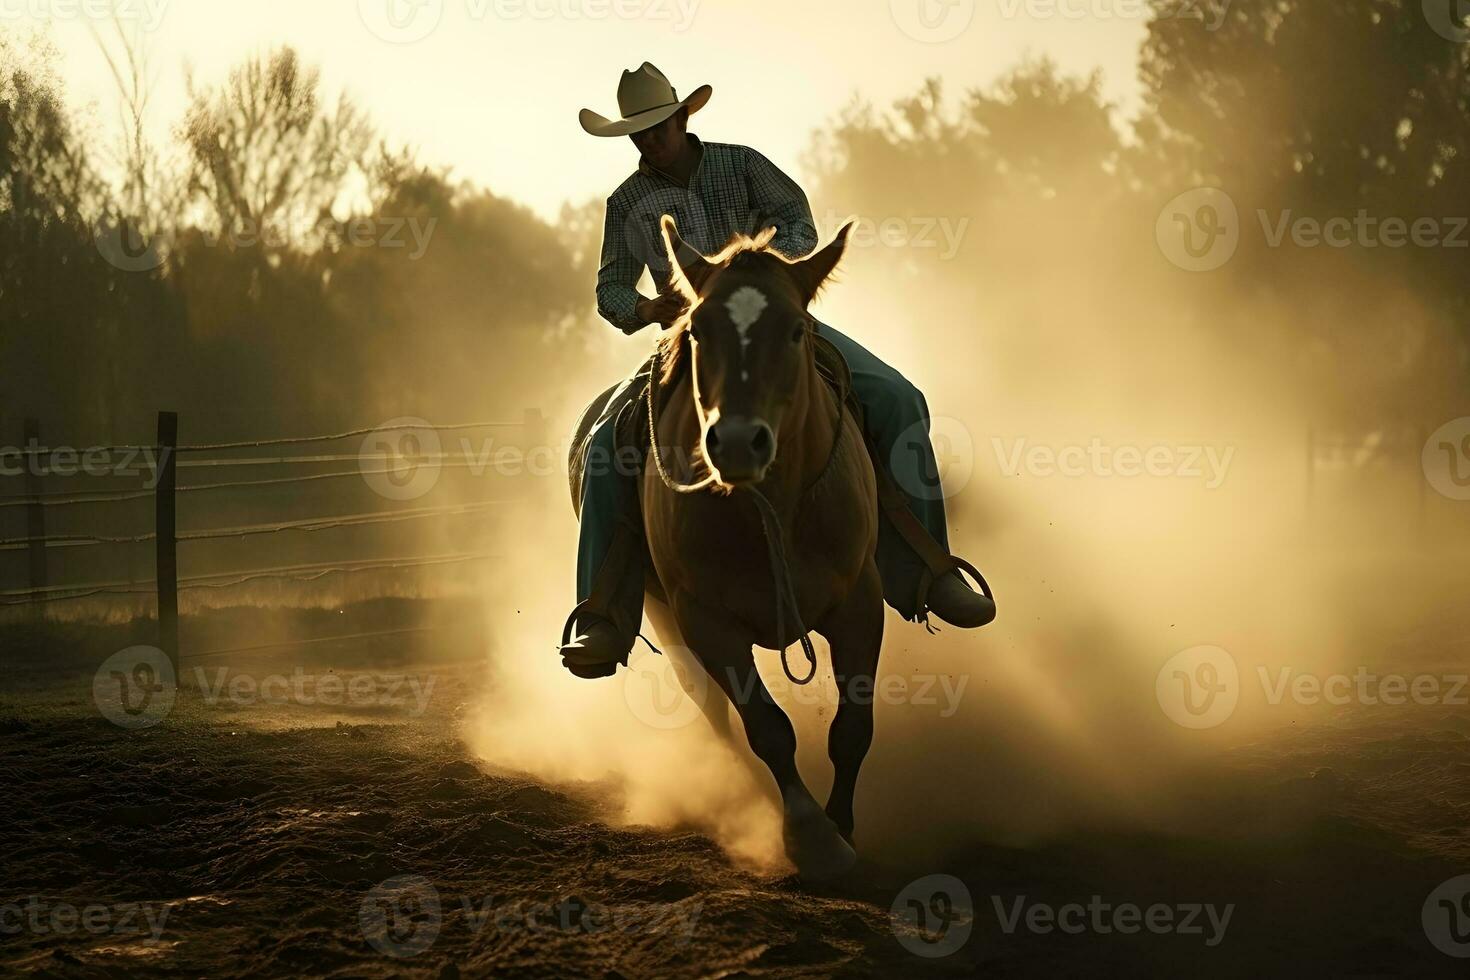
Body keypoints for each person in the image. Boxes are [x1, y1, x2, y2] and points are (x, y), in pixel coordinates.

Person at [561, 63, 994, 677]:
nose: (648, 140)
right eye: (637, 133)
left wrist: (758, 273)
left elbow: (798, 219)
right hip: (692, 340)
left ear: (683, 118)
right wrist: (649, 307)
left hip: (774, 322)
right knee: (605, 446)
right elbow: (609, 288)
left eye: (656, 126)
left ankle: (930, 568)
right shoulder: (627, 203)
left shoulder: (742, 164)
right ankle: (603, 615)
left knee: (898, 399)